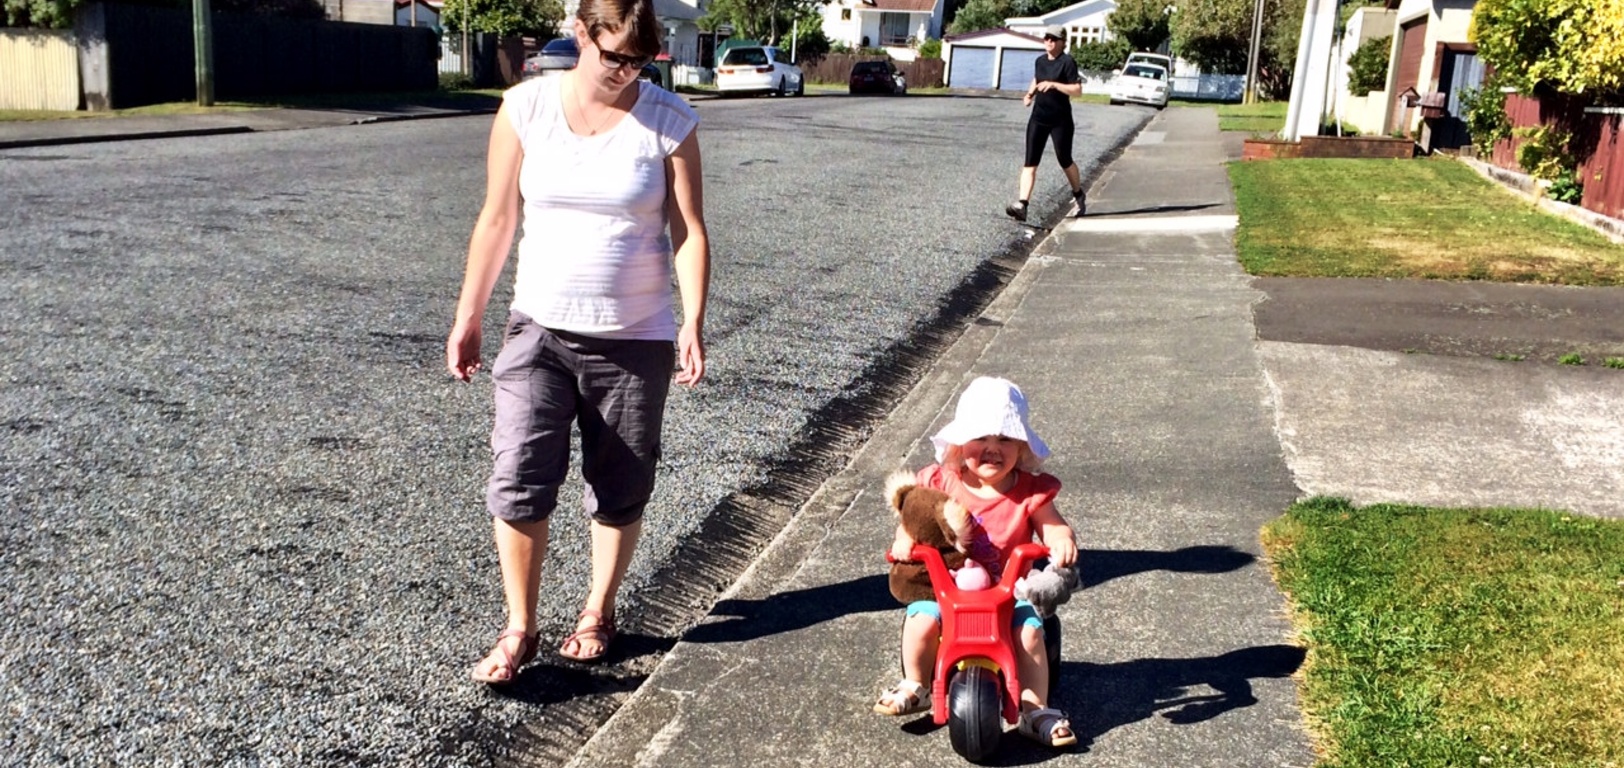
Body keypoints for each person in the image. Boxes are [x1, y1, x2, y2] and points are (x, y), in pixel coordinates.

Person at [445, 0, 711, 685]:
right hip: (539, 327)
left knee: (620, 485)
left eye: (641, 60)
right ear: (581, 34)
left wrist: (693, 320)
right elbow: (498, 218)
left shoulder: (669, 121)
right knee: (519, 475)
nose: (627, 72)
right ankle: (519, 628)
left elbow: (688, 232)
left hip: (634, 338)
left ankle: (598, 610)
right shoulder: (524, 109)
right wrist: (469, 313)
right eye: (614, 55)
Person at [873, 376, 1081, 748]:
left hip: (1009, 589)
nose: (992, 449)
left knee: (1029, 632)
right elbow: (913, 516)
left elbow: (1052, 526)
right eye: (980, 439)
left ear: (1021, 445)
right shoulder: (940, 482)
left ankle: (1035, 709)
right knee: (921, 619)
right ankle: (916, 684)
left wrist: (1060, 539)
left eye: (1004, 439)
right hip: (947, 587)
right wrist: (905, 540)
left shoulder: (1030, 492)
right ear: (959, 444)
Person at [1006, 25, 1087, 223]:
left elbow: (1077, 90)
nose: (1048, 41)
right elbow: (1037, 78)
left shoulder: (1067, 62)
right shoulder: (1040, 61)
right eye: (1046, 38)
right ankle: (1022, 205)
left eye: (1053, 38)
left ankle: (1079, 194)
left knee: (1064, 159)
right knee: (1030, 163)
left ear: (1062, 42)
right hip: (1038, 118)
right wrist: (1029, 94)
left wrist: (1055, 85)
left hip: (1060, 120)